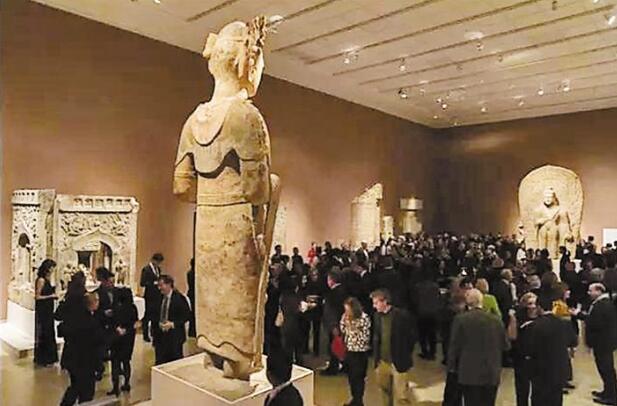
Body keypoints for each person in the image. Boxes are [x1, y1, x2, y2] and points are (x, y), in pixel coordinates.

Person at [448, 289, 508, 406]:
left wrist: (451, 367)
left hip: (469, 372)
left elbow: (454, 346)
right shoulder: (496, 320)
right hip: (491, 372)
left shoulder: (460, 320)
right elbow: (505, 345)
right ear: (481, 301)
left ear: (467, 302)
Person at [525, 302, 577, 406]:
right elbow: (573, 341)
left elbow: (529, 349)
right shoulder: (564, 323)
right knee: (556, 399)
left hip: (541, 371)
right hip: (559, 368)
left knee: (539, 400)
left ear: (539, 307)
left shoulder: (534, 325)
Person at [371, 289, 416, 406]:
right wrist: (376, 362)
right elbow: (377, 338)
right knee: (385, 393)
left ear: (385, 301)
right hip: (382, 362)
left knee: (401, 397)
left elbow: (411, 337)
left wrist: (405, 353)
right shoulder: (377, 316)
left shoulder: (402, 316)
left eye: (376, 303)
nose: (374, 306)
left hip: (399, 361)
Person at [60, 292, 105, 406]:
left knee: (75, 386)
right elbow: (97, 342)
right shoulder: (91, 322)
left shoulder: (77, 316)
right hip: (85, 361)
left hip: (73, 359)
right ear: (93, 303)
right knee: (85, 391)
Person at [576, 283, 617, 405]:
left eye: (591, 290)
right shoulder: (602, 303)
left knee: (606, 369)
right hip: (603, 341)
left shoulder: (603, 305)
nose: (588, 293)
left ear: (599, 291)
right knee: (604, 368)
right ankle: (608, 391)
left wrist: (579, 315)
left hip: (603, 342)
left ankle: (612, 396)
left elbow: (595, 322)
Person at [508, 292, 539, 406]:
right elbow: (512, 336)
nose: (532, 307)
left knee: (538, 391)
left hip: (538, 358)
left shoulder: (542, 318)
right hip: (521, 357)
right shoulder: (518, 317)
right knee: (522, 391)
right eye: (529, 304)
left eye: (535, 304)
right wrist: (513, 319)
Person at [153, 275, 191, 365]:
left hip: (174, 338)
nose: (159, 288)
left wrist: (173, 324)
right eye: (158, 285)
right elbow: (153, 314)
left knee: (174, 364)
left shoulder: (179, 299)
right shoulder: (158, 298)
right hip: (160, 337)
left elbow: (187, 315)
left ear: (169, 284)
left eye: (161, 285)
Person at [340, 297, 371, 406]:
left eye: (348, 309)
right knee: (351, 377)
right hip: (349, 351)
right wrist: (345, 321)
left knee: (358, 378)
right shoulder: (345, 316)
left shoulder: (364, 318)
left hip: (360, 352)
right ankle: (354, 398)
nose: (347, 312)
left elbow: (365, 336)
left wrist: (351, 325)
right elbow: (343, 329)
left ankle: (359, 400)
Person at [107, 287, 138, 396]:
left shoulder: (115, 308)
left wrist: (117, 329)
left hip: (116, 337)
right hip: (128, 338)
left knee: (115, 362)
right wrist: (127, 330)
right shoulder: (132, 308)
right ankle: (126, 383)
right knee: (126, 361)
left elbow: (111, 322)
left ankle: (115, 387)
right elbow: (134, 323)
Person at [321, 268, 348, 375]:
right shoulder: (345, 291)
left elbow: (331, 312)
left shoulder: (332, 294)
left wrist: (333, 326)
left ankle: (333, 367)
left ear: (331, 280)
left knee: (334, 346)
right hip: (342, 322)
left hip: (335, 324)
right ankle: (344, 365)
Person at [34, 259, 59, 366]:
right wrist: (51, 296)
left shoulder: (48, 279)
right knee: (44, 332)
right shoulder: (41, 280)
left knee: (49, 332)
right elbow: (37, 296)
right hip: (43, 310)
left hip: (48, 310)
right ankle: (43, 358)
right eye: (52, 268)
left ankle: (50, 358)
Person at [413, 271, 441, 360]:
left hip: (422, 313)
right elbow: (439, 298)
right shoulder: (435, 286)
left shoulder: (418, 287)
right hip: (433, 312)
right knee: (432, 334)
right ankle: (433, 352)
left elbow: (415, 300)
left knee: (422, 334)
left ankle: (424, 351)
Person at [140, 253, 164, 342]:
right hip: (150, 295)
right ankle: (145, 334)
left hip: (157, 295)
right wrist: (153, 283)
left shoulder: (158, 269)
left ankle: (154, 333)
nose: (158, 264)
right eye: (157, 262)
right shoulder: (146, 269)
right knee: (148, 315)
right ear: (153, 260)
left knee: (156, 315)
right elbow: (142, 283)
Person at [186, 258, 196, 338]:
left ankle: (191, 331)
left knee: (192, 313)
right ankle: (192, 331)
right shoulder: (194, 274)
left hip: (191, 293)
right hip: (193, 294)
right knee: (193, 313)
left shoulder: (189, 273)